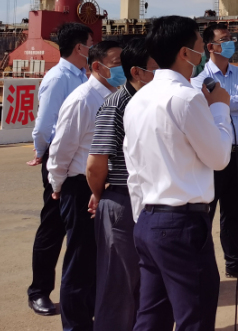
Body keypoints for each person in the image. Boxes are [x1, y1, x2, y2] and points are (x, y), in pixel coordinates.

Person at [123, 16, 233, 331]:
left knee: (151, 315)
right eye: (201, 46)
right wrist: (220, 108)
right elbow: (219, 157)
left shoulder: (138, 99)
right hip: (182, 222)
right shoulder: (187, 97)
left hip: (148, 218)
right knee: (194, 316)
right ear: (186, 53)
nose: (204, 52)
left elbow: (133, 168)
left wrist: (143, 218)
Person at [48, 40, 122, 331]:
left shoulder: (117, 95)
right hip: (80, 187)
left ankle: (94, 317)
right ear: (97, 66)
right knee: (80, 261)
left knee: (100, 260)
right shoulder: (83, 99)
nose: (123, 68)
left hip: (106, 186)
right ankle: (75, 325)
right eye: (117, 63)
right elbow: (61, 148)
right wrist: (57, 185)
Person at [86, 38, 157, 331]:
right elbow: (95, 165)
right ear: (136, 72)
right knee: (119, 285)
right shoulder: (116, 105)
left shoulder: (152, 102)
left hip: (149, 200)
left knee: (144, 284)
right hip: (123, 200)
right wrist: (100, 195)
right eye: (155, 69)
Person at [27, 22, 92, 316]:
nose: (93, 49)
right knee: (53, 227)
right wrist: (42, 152)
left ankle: (83, 291)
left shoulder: (81, 75)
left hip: (81, 160)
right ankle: (39, 291)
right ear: (80, 47)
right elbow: (44, 125)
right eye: (91, 43)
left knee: (81, 231)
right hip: (60, 158)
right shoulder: (58, 78)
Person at [191, 23, 238, 280]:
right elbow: (210, 105)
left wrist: (225, 101)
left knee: (233, 213)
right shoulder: (200, 78)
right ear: (211, 47)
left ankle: (234, 263)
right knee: (206, 213)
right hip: (214, 156)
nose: (231, 42)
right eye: (225, 39)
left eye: (231, 38)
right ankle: (201, 268)